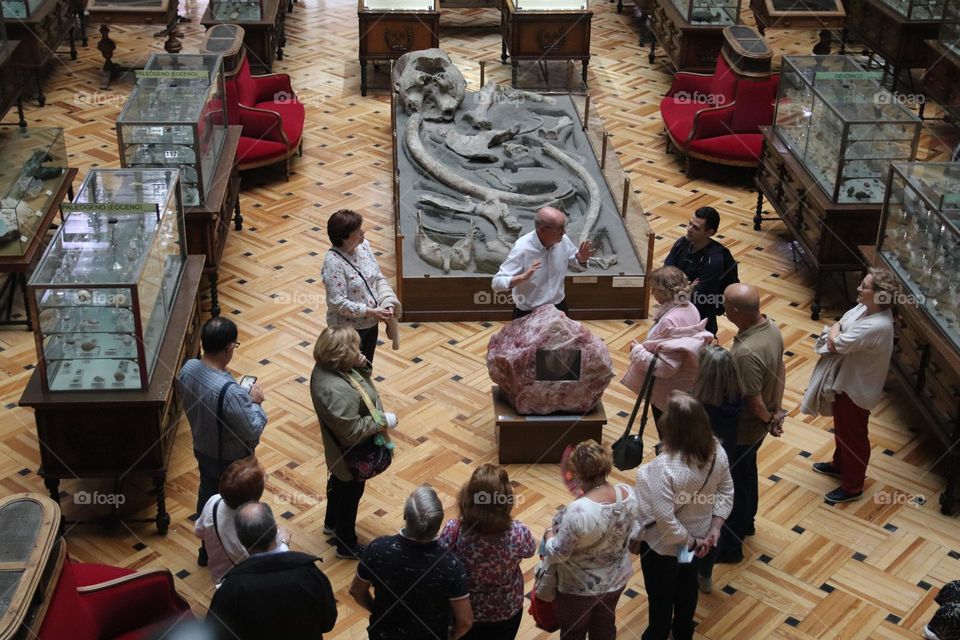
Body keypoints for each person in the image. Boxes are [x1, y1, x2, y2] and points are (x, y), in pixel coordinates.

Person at [634, 392, 734, 640]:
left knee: (661, 595)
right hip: (697, 538)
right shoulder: (717, 451)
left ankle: (657, 634)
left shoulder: (657, 469)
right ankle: (682, 631)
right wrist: (715, 528)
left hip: (663, 548)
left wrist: (691, 542)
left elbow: (666, 522)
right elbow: (726, 490)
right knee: (687, 587)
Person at [178, 317, 267, 568]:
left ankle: (206, 549)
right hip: (231, 461)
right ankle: (243, 553)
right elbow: (252, 429)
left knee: (207, 496)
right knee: (240, 506)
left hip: (202, 449)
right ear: (229, 348)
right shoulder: (231, 393)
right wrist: (256, 403)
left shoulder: (187, 368)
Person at [804, 269, 896, 504]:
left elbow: (837, 341)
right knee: (843, 429)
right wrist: (838, 328)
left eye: (864, 286)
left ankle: (853, 486)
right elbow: (842, 323)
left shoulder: (877, 324)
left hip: (857, 388)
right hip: (846, 381)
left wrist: (835, 329)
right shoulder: (864, 309)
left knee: (854, 436)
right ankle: (840, 464)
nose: (858, 288)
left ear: (878, 295)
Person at [311, 326, 397, 560]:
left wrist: (360, 362)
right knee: (350, 494)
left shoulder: (328, 368)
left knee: (338, 486)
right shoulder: (337, 390)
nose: (359, 350)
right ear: (341, 354)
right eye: (354, 348)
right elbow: (352, 431)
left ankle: (331, 523)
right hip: (350, 453)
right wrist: (382, 421)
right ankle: (345, 543)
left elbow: (360, 381)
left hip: (338, 455)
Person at [542, 441, 639, 640]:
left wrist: (549, 535)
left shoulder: (578, 511)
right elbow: (635, 533)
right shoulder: (628, 494)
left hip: (578, 588)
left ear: (576, 473)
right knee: (604, 628)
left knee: (573, 633)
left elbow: (558, 554)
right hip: (616, 581)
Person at [350, 485, 473, 640]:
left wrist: (376, 610)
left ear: (404, 516)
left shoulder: (378, 549)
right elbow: (465, 621)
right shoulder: (450, 565)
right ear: (438, 523)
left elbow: (356, 591)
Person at [718, 283, 786, 564]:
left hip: (743, 429)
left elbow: (753, 401)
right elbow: (780, 369)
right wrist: (777, 411)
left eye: (725, 306)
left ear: (735, 311)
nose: (722, 310)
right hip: (758, 426)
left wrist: (770, 418)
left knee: (733, 486)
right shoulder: (771, 328)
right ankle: (747, 524)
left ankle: (731, 547)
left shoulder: (746, 353)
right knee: (747, 475)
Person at [207, 502, 337, 640]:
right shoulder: (309, 572)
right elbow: (328, 622)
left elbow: (215, 634)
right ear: (275, 530)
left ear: (240, 539)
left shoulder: (231, 589)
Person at [438, 464, 536, 640]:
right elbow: (530, 551)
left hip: (464, 610)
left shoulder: (454, 531)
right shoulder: (519, 533)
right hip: (506, 610)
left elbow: (442, 559)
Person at [621, 266, 713, 427]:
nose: (652, 294)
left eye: (654, 290)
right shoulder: (690, 307)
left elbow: (666, 368)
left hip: (668, 393)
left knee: (669, 436)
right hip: (684, 386)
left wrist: (637, 351)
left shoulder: (670, 320)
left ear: (665, 292)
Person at [689, 346, 743, 593]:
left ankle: (685, 568)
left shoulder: (697, 407)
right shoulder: (736, 398)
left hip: (694, 473)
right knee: (714, 524)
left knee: (690, 523)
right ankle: (705, 574)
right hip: (724, 468)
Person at [322, 208, 401, 363]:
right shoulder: (333, 263)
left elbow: (377, 277)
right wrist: (371, 312)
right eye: (357, 231)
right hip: (347, 331)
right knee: (349, 369)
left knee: (366, 365)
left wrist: (387, 303)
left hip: (370, 324)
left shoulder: (364, 246)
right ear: (344, 238)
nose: (363, 233)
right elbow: (338, 304)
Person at [194, 456, 289, 584]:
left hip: (217, 575)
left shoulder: (214, 501)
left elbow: (199, 531)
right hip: (242, 584)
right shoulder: (252, 530)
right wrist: (284, 541)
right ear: (255, 498)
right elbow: (268, 565)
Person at [491, 206, 594, 319]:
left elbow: (578, 264)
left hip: (559, 308)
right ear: (543, 230)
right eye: (560, 229)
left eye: (564, 227)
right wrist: (523, 277)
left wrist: (582, 259)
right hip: (529, 313)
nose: (564, 232)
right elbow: (496, 283)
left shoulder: (563, 240)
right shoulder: (522, 248)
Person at [664, 206, 737, 335]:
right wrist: (686, 286)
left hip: (700, 319)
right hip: (674, 312)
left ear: (710, 232)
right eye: (690, 223)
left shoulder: (714, 261)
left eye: (696, 228)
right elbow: (665, 276)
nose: (689, 229)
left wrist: (676, 287)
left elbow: (694, 296)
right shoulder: (682, 243)